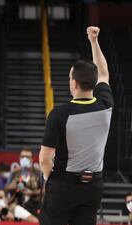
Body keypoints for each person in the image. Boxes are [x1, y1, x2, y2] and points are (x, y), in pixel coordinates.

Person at [39, 26, 113, 225]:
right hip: (93, 186)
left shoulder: (59, 114)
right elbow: (104, 72)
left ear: (74, 83)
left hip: (63, 185)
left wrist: (51, 181)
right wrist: (94, 42)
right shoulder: (106, 105)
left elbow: (45, 159)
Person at [5, 148, 42, 217]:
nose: (24, 159)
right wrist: (12, 186)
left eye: (27, 157)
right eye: (22, 157)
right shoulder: (14, 172)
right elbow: (5, 189)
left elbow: (46, 190)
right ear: (19, 158)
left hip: (35, 204)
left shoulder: (39, 172)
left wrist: (32, 192)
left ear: (32, 159)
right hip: (17, 203)